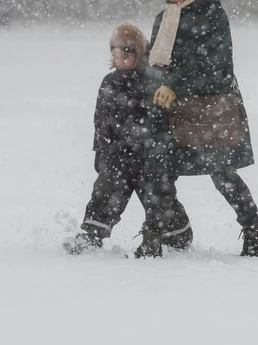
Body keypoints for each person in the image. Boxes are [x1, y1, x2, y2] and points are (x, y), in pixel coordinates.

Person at [135, 0, 258, 258]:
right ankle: (154, 238)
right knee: (158, 172)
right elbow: (156, 64)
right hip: (167, 112)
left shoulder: (211, 14)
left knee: (222, 172)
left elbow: (215, 66)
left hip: (208, 109)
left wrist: (175, 84)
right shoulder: (164, 17)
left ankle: (254, 230)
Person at [63, 23, 192, 254]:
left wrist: (162, 154)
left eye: (126, 53)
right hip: (118, 156)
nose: (120, 58)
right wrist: (101, 152)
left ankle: (177, 233)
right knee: (105, 192)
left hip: (148, 157)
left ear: (138, 52)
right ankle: (91, 234)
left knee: (159, 197)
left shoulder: (153, 81)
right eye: (115, 53)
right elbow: (101, 121)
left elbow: (164, 121)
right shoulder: (110, 82)